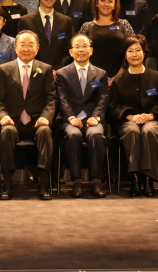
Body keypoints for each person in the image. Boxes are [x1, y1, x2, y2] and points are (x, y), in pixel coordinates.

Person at [0, 31, 56, 200]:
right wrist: (3, 116)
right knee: (6, 132)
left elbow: (51, 99)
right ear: (15, 48)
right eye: (22, 45)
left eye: (30, 45)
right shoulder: (3, 70)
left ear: (37, 48)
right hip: (13, 121)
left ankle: (43, 182)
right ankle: (6, 181)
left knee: (45, 131)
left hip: (37, 120)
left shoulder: (45, 69)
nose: (26, 48)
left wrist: (46, 117)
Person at [109, 35, 158, 197]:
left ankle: (148, 178)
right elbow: (113, 106)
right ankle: (135, 177)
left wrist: (151, 115)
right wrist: (131, 117)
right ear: (125, 55)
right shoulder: (118, 80)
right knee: (132, 131)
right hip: (129, 121)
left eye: (138, 50)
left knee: (149, 131)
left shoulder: (157, 77)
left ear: (145, 53)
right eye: (130, 51)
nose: (134, 54)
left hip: (153, 120)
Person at [56, 34, 109, 198]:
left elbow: (103, 98)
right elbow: (61, 98)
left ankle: (96, 181)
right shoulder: (62, 73)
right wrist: (71, 117)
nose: (81, 50)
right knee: (73, 135)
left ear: (91, 50)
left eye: (84, 46)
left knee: (95, 134)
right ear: (71, 52)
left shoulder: (100, 74)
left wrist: (97, 117)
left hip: (93, 119)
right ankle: (76, 181)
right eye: (77, 47)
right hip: (71, 119)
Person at [79, 0, 135, 83]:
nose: (106, 4)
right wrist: (95, 76)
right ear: (96, 2)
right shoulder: (86, 26)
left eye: (110, 1)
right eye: (103, 0)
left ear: (115, 5)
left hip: (121, 79)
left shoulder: (124, 24)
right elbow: (80, 54)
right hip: (92, 79)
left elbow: (133, 49)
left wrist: (120, 74)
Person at [18, 0, 74, 71]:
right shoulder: (25, 21)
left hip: (60, 73)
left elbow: (69, 49)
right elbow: (24, 49)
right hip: (34, 73)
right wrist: (41, 69)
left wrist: (57, 69)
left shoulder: (66, 21)